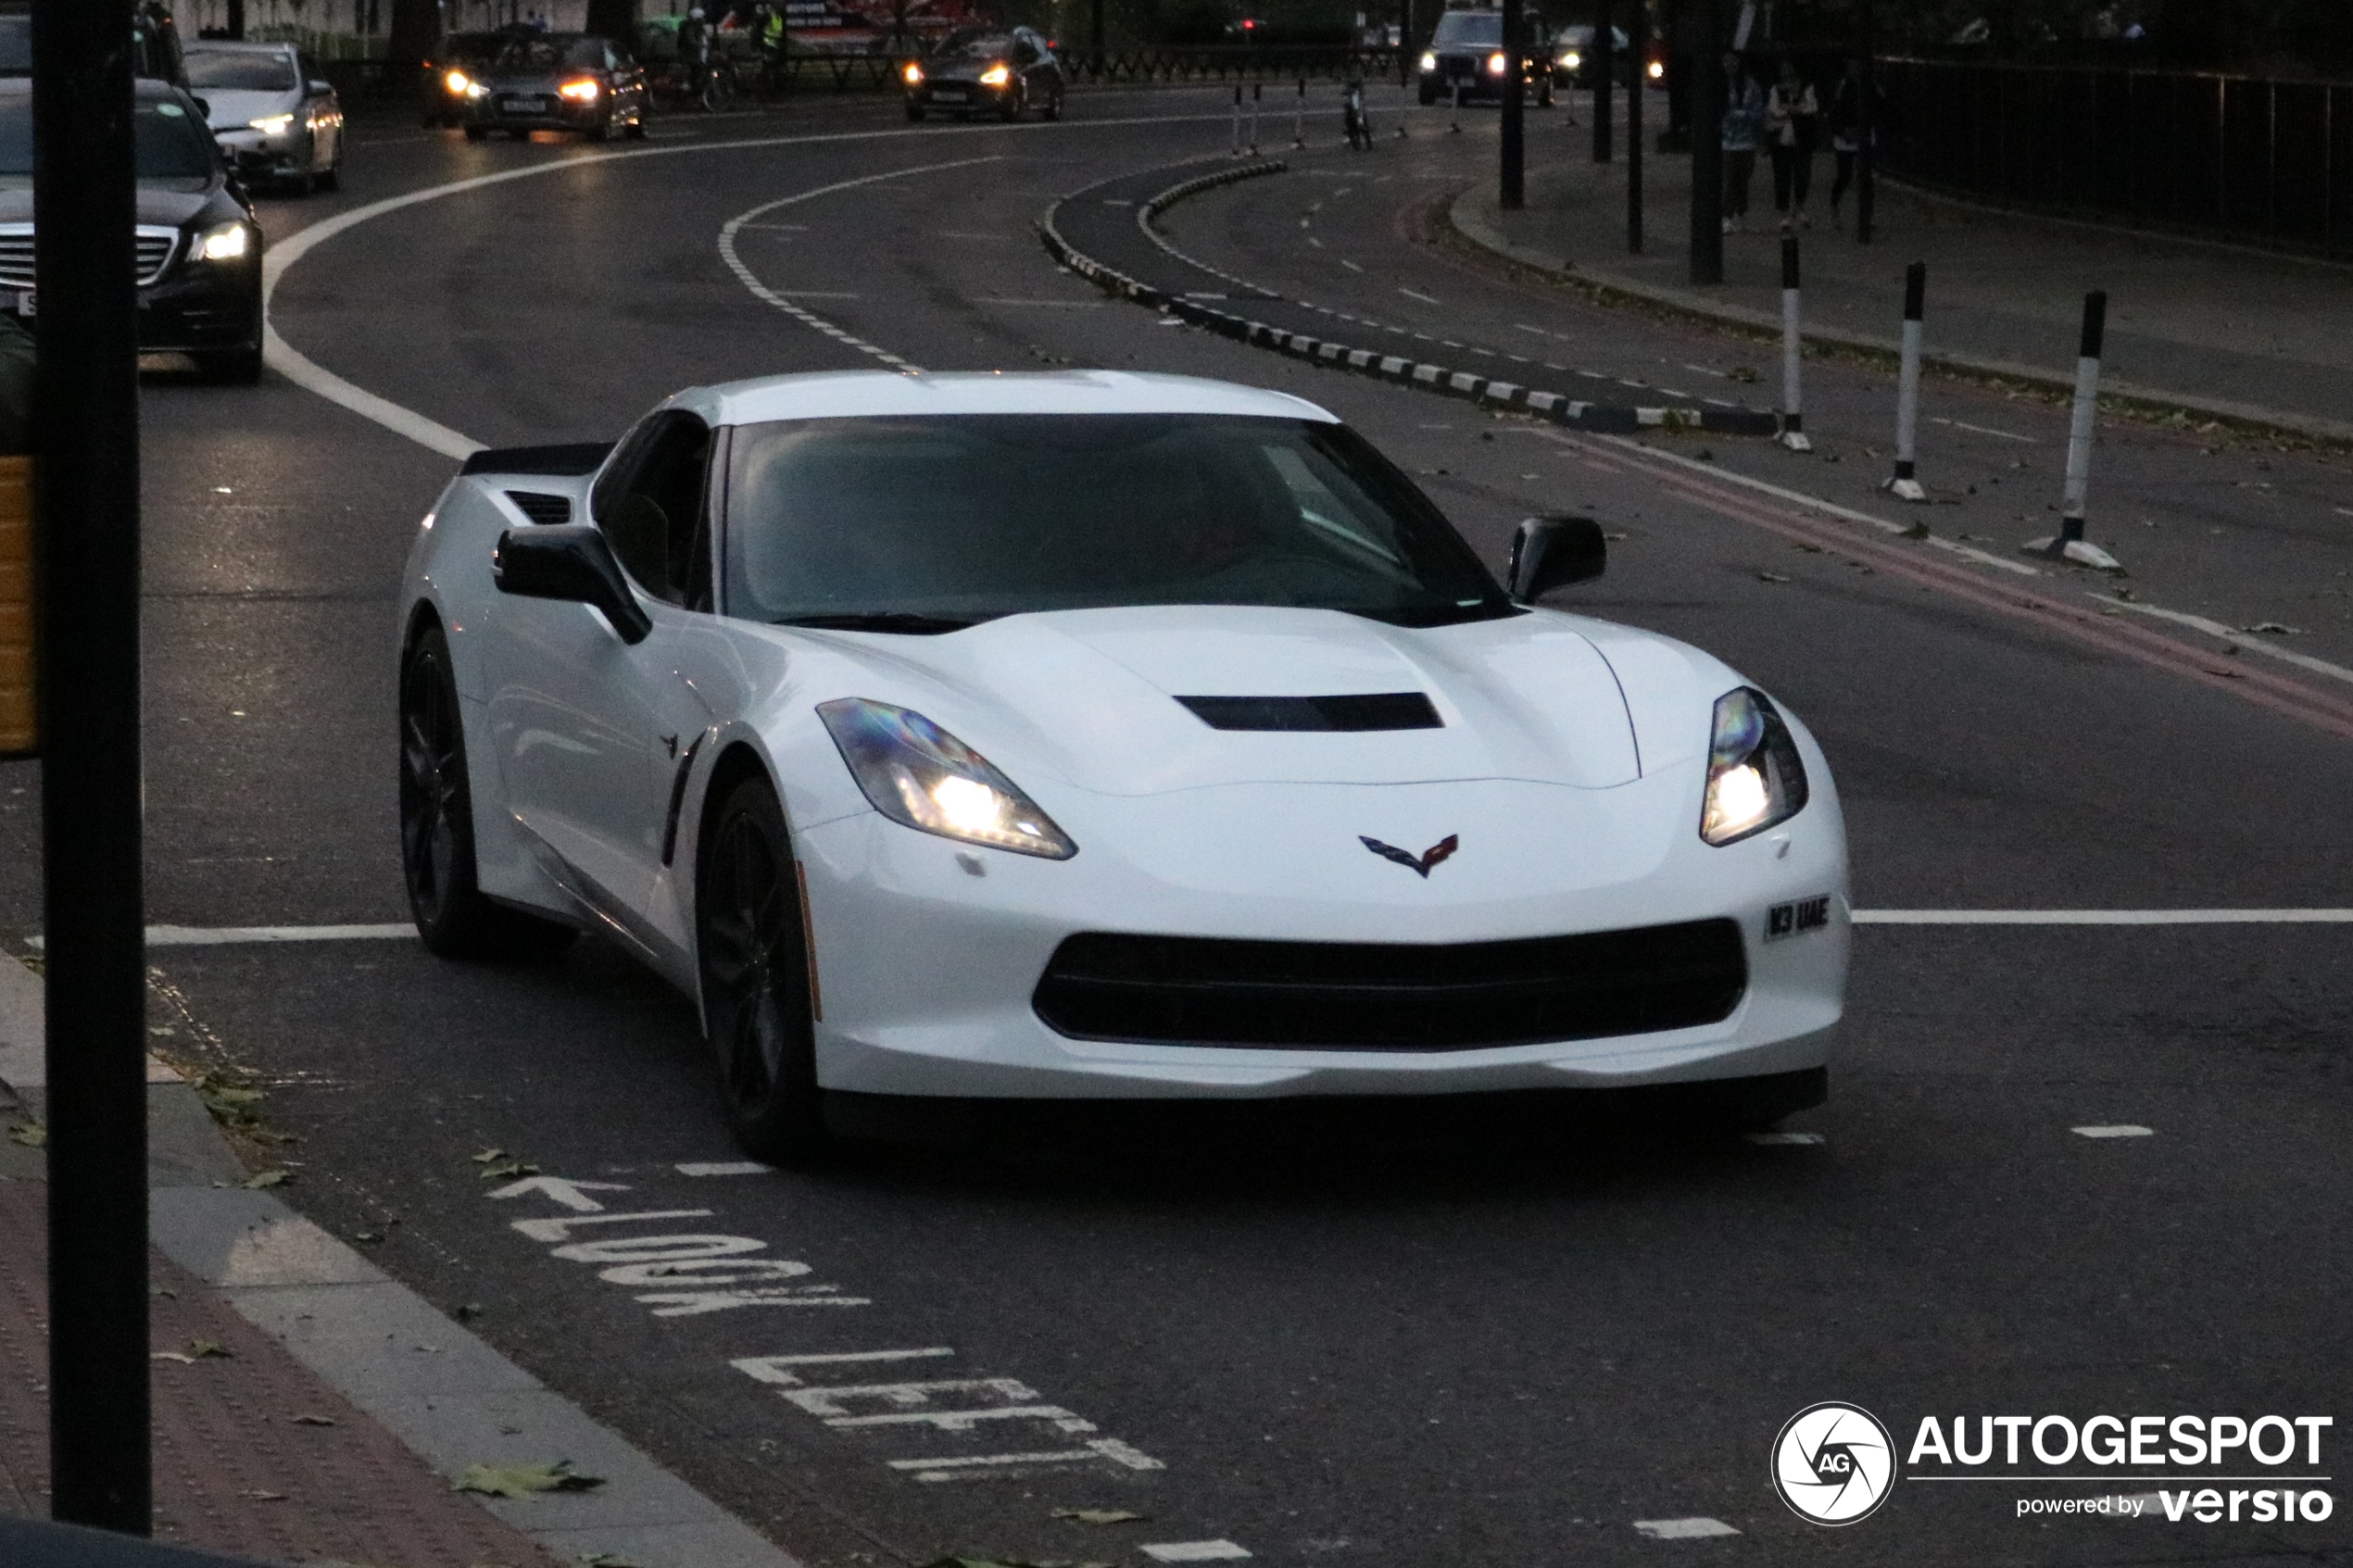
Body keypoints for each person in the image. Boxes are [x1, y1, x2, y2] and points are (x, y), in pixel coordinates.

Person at [1826, 57, 1883, 228]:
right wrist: (1841, 130)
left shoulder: (1871, 85)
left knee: (1866, 177)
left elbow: (1879, 105)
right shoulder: (1843, 86)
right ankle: (1834, 207)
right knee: (1845, 175)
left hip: (1864, 134)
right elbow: (1835, 110)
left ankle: (1868, 213)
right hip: (1846, 135)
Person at [1764, 56, 1820, 230]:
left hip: (1803, 137)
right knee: (1782, 177)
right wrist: (1796, 109)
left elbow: (1812, 108)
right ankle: (1784, 213)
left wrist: (1788, 109)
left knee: (1802, 176)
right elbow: (1774, 110)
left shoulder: (1807, 87)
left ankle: (1799, 207)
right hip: (1782, 139)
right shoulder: (1776, 89)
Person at [1719, 53, 1764, 234]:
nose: (1729, 65)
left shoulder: (1750, 85)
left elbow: (1758, 110)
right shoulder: (1720, 85)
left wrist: (1745, 116)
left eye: (1733, 61)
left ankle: (1740, 213)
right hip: (1728, 142)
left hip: (1747, 141)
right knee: (1730, 180)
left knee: (1743, 180)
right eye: (1726, 61)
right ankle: (1727, 216)